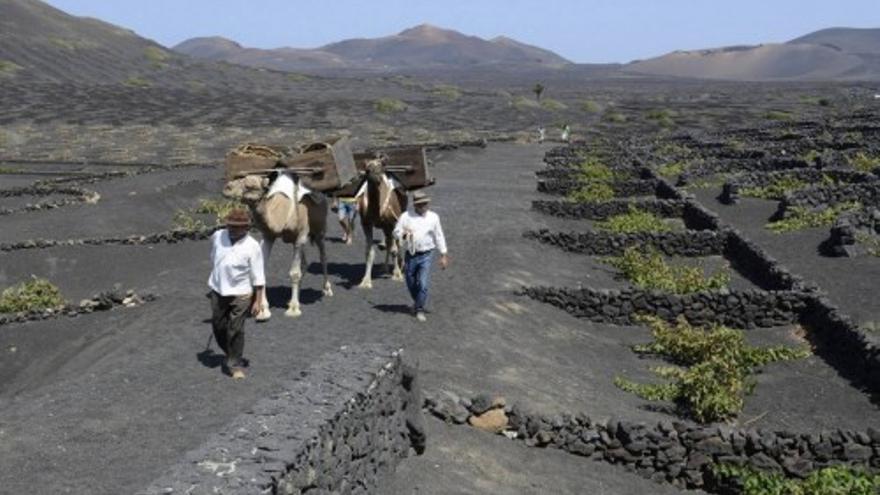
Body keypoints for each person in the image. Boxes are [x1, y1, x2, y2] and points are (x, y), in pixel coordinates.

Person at [207, 209, 265, 380]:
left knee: (236, 329)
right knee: (218, 326)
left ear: (246, 227)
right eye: (231, 226)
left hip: (241, 293)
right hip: (218, 290)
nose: (233, 229)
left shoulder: (253, 246)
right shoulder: (218, 236)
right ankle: (229, 352)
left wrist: (258, 301)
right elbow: (213, 258)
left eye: (238, 227)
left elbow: (258, 275)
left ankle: (235, 364)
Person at [393, 190, 449, 322]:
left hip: (427, 254)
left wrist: (443, 254)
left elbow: (439, 235)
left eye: (425, 204)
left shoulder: (434, 217)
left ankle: (419, 309)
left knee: (423, 284)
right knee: (410, 281)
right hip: (411, 254)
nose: (424, 206)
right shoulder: (405, 216)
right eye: (421, 204)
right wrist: (404, 235)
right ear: (415, 205)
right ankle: (417, 302)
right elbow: (396, 232)